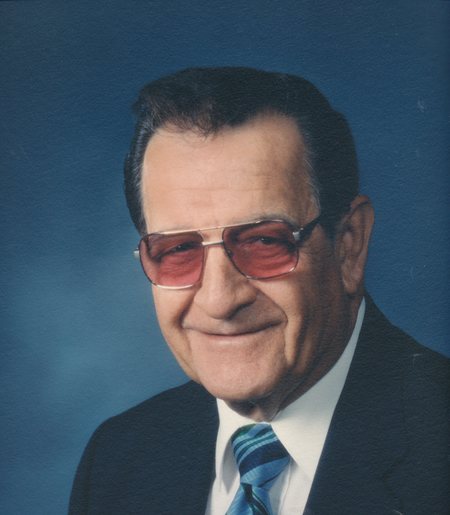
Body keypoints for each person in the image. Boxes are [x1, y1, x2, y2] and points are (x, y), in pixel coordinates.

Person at [69, 67, 449, 515]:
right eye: (179, 249)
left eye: (264, 241)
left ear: (349, 244)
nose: (219, 301)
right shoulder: (118, 460)